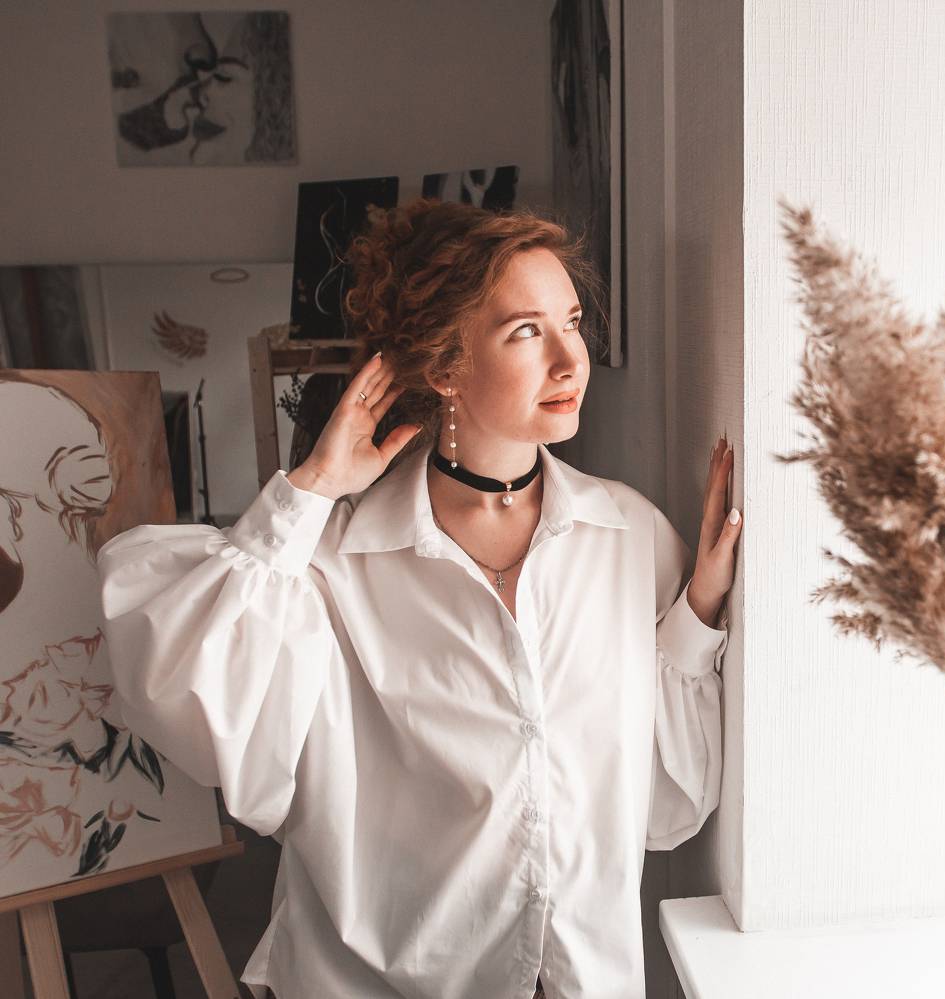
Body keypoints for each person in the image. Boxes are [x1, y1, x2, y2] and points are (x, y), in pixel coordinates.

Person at [95, 200, 742, 999]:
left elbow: (667, 807)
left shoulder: (629, 535)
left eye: (571, 322)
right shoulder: (332, 561)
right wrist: (312, 488)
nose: (570, 360)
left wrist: (698, 611)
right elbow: (185, 684)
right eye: (526, 332)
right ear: (444, 369)